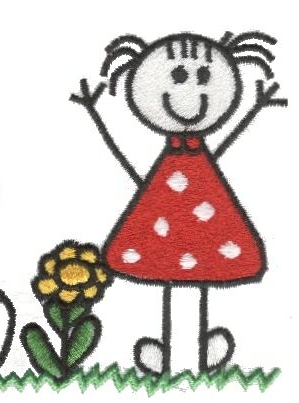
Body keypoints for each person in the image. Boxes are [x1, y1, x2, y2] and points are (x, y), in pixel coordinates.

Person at [71, 32, 287, 375]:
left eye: (204, 77)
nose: (192, 92)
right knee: (177, 273)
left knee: (195, 275)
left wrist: (255, 108)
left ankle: (192, 352)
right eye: (179, 76)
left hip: (199, 198)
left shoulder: (197, 154)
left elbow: (225, 142)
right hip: (168, 200)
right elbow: (126, 157)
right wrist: (96, 114)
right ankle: (180, 353)